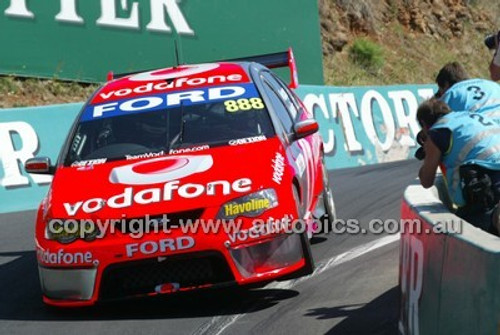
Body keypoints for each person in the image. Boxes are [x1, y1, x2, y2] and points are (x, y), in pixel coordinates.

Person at [417, 98, 500, 234]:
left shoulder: (438, 131)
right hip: (493, 168)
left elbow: (426, 180)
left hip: (488, 179)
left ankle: (493, 218)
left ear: (424, 124)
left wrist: (428, 153)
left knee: (466, 228)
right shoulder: (471, 117)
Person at [435, 62, 500, 116]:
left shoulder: (452, 93)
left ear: (446, 85)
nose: (441, 95)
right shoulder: (492, 85)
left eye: (440, 91)